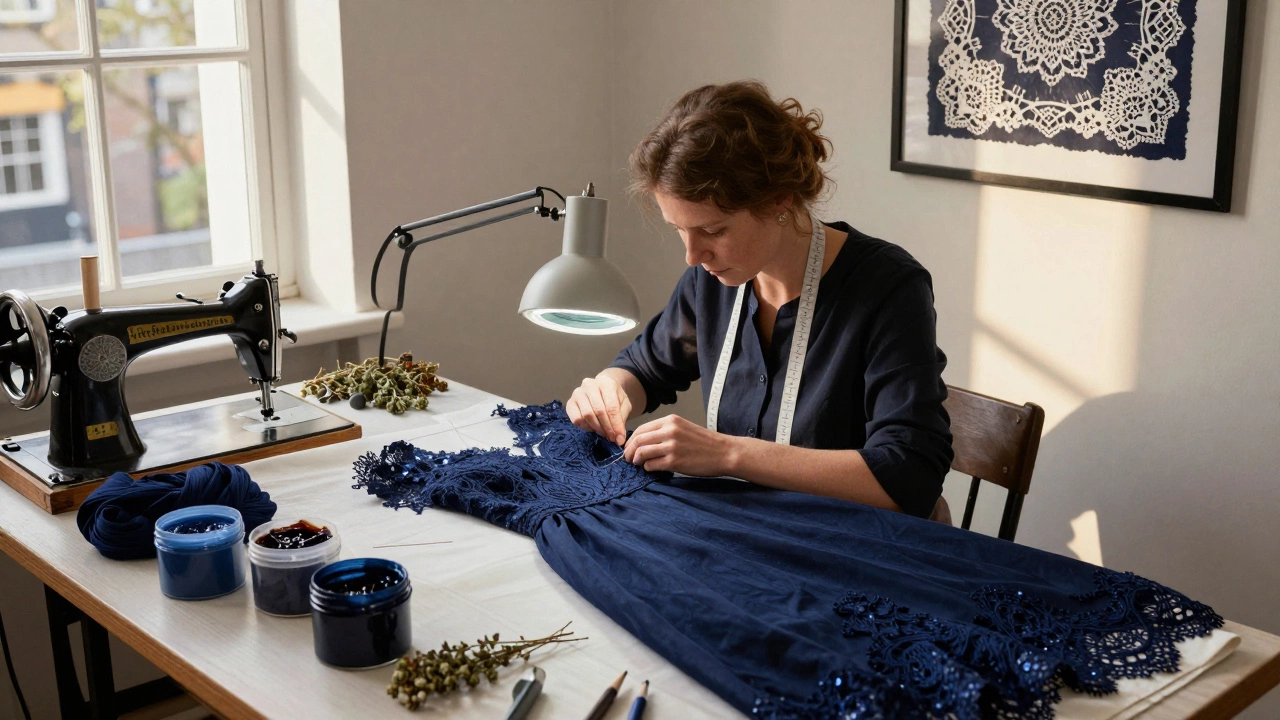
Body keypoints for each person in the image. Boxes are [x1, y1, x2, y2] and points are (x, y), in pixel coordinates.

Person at [566, 81, 952, 519]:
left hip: (854, 546)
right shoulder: (712, 279)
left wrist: (729, 454)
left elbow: (910, 474)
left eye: (712, 231)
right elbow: (646, 368)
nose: (693, 256)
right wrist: (610, 392)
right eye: (680, 229)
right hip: (755, 532)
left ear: (779, 199)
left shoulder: (889, 287)